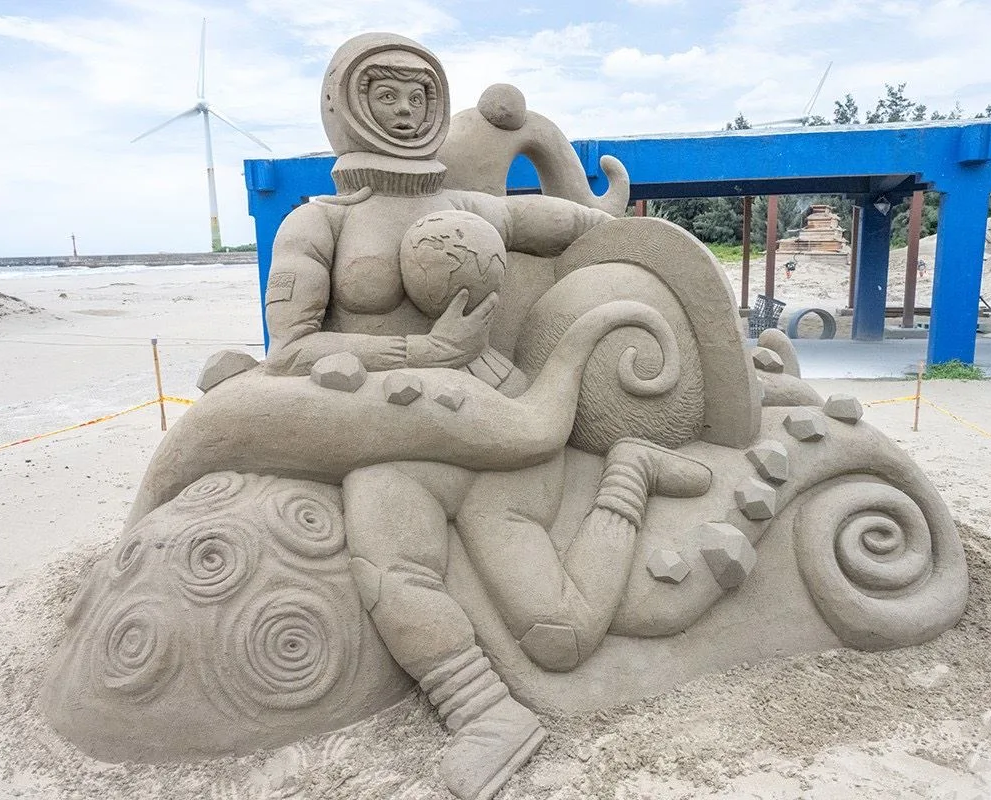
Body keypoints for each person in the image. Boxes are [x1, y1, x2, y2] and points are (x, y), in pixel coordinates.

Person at [263, 33, 706, 800]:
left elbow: (562, 224)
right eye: (385, 94)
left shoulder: (466, 207)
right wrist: (422, 351)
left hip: (505, 420)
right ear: (345, 104)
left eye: (418, 96)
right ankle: (486, 713)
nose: (405, 112)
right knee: (389, 562)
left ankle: (629, 472)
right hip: (397, 435)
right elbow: (290, 352)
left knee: (562, 635)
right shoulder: (317, 223)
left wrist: (628, 235)